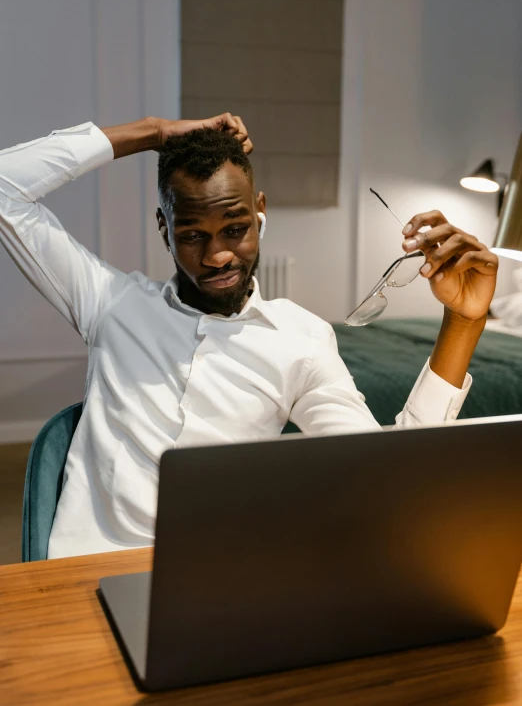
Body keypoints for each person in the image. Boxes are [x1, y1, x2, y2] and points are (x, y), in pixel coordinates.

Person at [0, 115, 498, 558]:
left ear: (259, 210)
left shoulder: (300, 340)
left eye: (235, 228)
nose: (217, 256)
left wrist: (464, 321)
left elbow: (387, 479)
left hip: (221, 582)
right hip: (88, 575)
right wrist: (151, 132)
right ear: (163, 227)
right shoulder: (110, 304)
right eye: (192, 234)